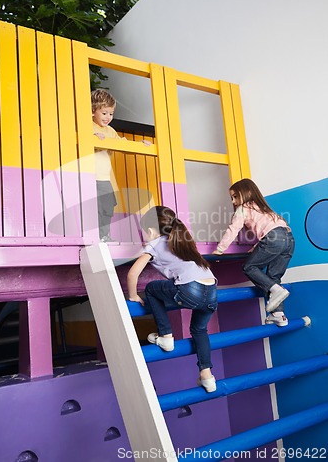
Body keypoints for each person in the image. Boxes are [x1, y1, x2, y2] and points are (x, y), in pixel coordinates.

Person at [127, 206, 218, 393]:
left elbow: (133, 273)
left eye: (145, 233)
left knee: (151, 289)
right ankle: (207, 377)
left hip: (191, 288)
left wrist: (133, 295)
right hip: (212, 290)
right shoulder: (181, 240)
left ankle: (166, 336)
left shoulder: (154, 243)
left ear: (151, 231)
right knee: (200, 330)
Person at [212, 178, 295, 327]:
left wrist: (219, 250)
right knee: (273, 277)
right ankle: (279, 315)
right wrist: (257, 246)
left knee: (249, 267)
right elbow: (274, 230)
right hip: (289, 240)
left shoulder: (243, 208)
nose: (233, 201)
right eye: (231, 197)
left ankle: (276, 290)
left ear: (247, 193)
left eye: (235, 196)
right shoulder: (264, 208)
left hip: (273, 239)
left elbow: (233, 230)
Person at [92, 89, 123, 242]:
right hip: (88, 176)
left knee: (107, 208)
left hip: (104, 178)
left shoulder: (110, 131)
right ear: (93, 111)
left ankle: (104, 236)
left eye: (111, 114)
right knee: (91, 208)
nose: (108, 117)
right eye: (104, 113)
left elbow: (122, 145)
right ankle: (92, 236)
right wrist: (93, 137)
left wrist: (143, 145)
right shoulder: (88, 126)